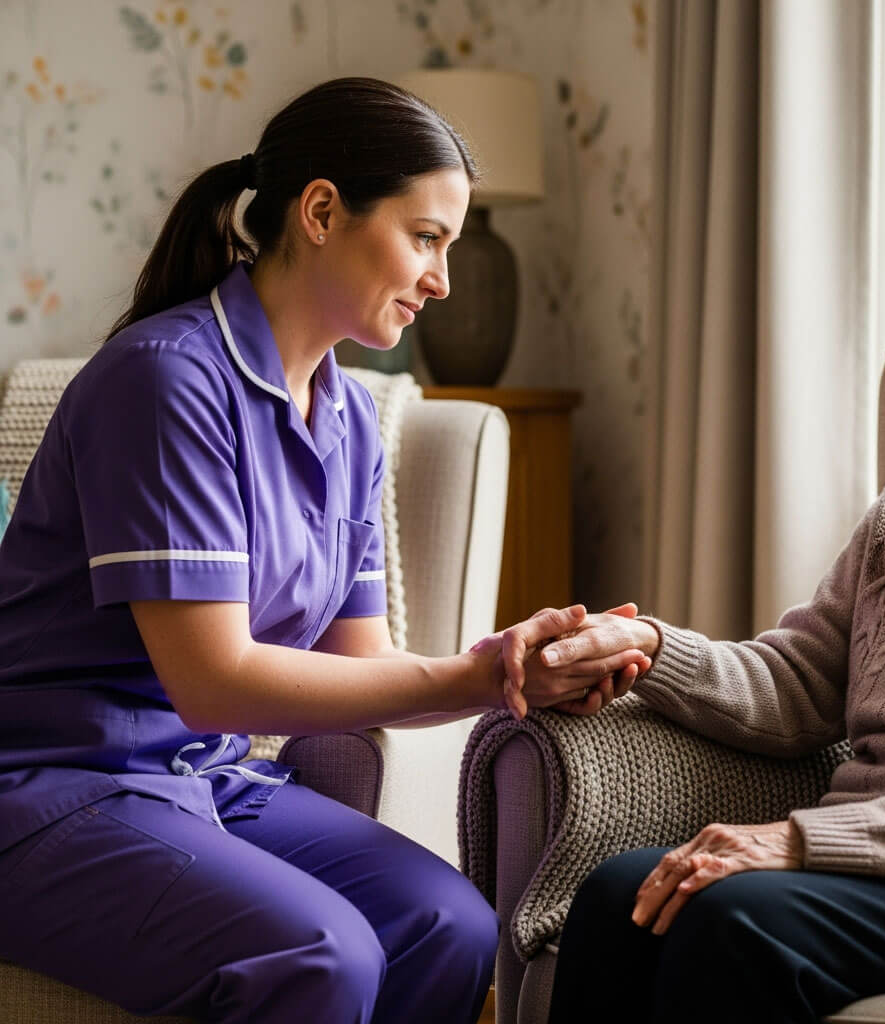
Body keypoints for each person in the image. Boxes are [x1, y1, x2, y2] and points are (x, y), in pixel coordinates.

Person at [0, 77, 649, 1023]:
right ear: (319, 211)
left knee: (452, 927)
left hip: (203, 778)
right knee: (321, 954)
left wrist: (516, 665)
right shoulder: (164, 382)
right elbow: (213, 682)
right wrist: (470, 678)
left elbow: (364, 666)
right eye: (426, 237)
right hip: (53, 782)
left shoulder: (348, 416)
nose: (443, 278)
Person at [499, 181, 885, 1023]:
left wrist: (801, 841)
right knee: (619, 897)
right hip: (862, 867)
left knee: (730, 921)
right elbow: (799, 684)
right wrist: (648, 651)